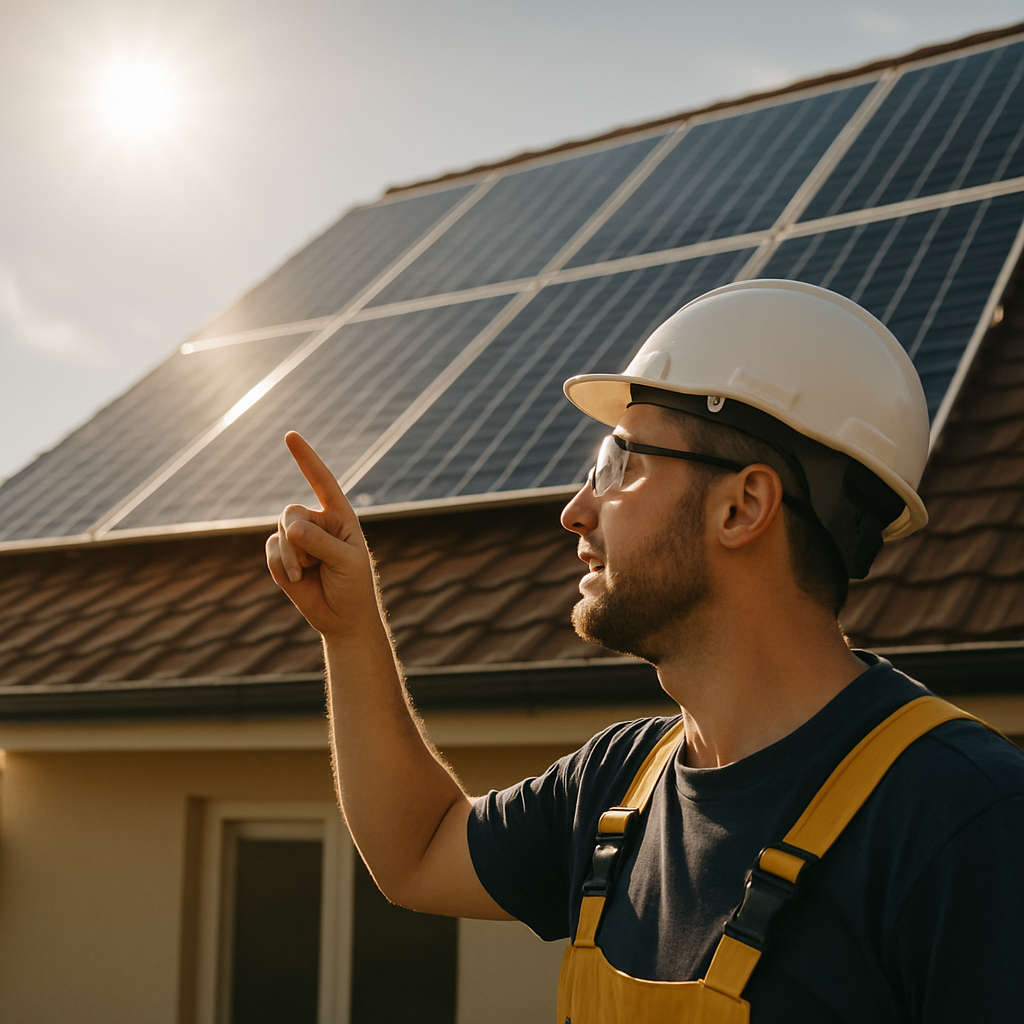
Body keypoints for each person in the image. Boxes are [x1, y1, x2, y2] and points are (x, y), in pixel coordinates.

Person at [266, 279, 1024, 1022]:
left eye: (618, 463)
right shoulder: (616, 784)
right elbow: (418, 850)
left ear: (742, 506)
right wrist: (351, 632)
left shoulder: (968, 822)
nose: (576, 510)